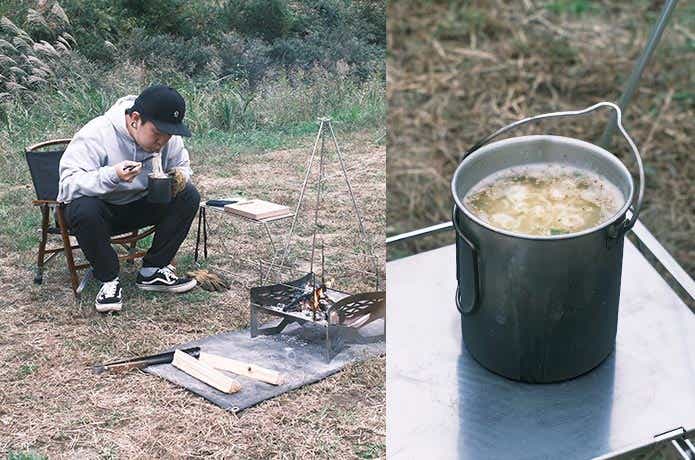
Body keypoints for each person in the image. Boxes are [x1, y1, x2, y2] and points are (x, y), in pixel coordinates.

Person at [58, 85, 200, 313]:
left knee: (189, 194)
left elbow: (182, 166)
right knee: (82, 207)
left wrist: (179, 177)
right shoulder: (97, 133)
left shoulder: (167, 139)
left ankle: (152, 271)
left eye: (169, 134)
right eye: (157, 133)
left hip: (141, 204)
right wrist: (112, 175)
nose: (162, 141)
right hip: (102, 212)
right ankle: (108, 280)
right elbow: (68, 185)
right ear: (135, 119)